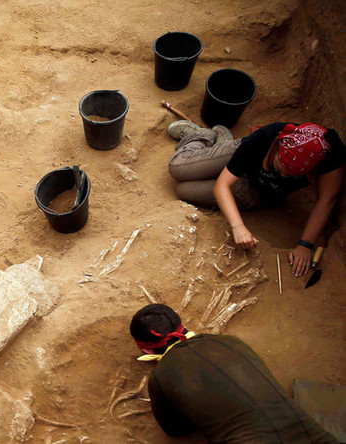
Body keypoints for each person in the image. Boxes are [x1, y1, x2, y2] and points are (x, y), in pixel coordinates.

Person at [130, 303, 337, 443]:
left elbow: (175, 430)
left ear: (146, 350)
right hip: (317, 437)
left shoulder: (160, 375)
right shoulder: (231, 341)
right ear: (182, 326)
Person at [167, 120, 345, 277]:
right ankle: (203, 137)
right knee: (177, 168)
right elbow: (222, 186)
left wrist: (305, 245)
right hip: (242, 160)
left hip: (257, 190)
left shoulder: (330, 152)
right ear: (277, 149)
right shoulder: (266, 136)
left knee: (184, 190)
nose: (283, 176)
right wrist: (238, 227)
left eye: (291, 174)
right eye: (281, 167)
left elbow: (327, 200)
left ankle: (216, 150)